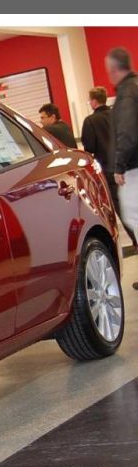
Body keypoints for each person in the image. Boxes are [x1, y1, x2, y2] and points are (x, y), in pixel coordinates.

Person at [81, 85, 138, 249]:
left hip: (109, 170)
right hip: (129, 165)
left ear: (93, 101)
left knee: (121, 206)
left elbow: (89, 146)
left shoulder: (91, 121)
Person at [107, 47, 138, 290]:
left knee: (133, 217)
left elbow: (126, 133)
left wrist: (119, 165)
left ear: (113, 69)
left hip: (133, 169)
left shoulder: (127, 94)